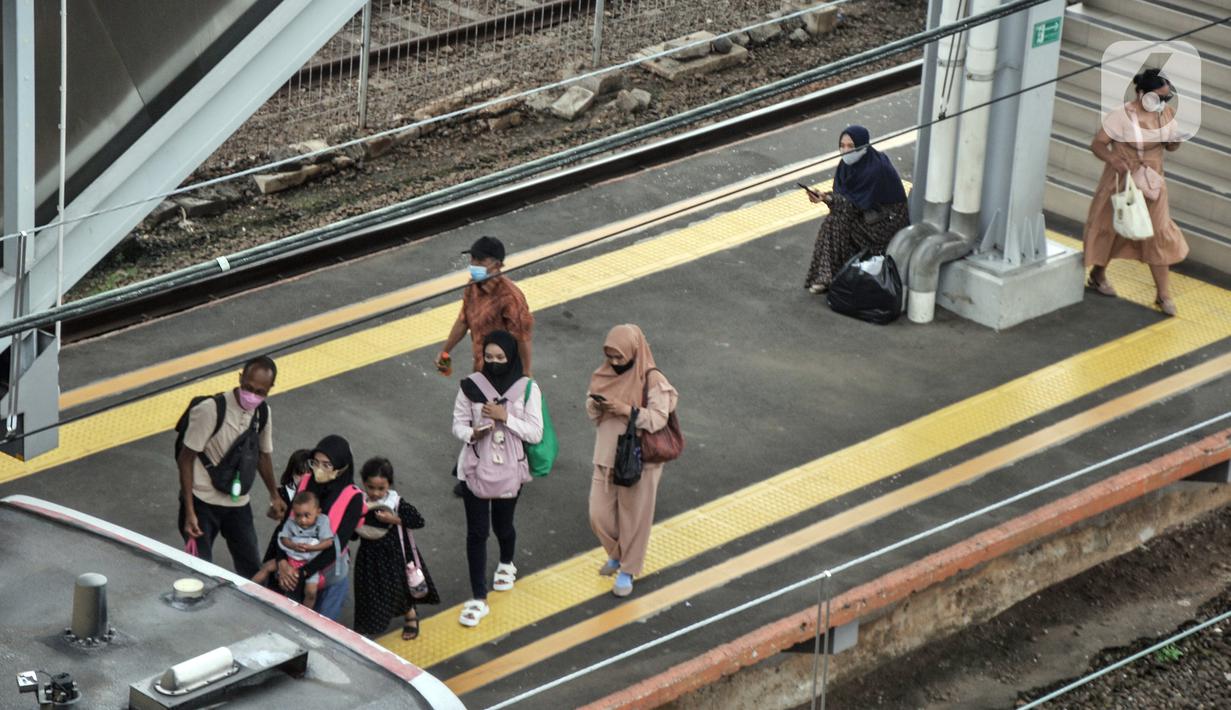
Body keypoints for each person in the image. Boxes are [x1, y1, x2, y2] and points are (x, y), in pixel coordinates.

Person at [451, 330, 543, 627]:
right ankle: (479, 597)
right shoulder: (469, 386)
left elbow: (535, 432)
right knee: (476, 533)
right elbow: (457, 424)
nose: (494, 362)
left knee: (503, 525)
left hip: (509, 470)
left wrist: (505, 417)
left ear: (512, 357)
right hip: (475, 468)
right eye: (489, 357)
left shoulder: (528, 389)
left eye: (500, 357)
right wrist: (472, 433)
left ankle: (506, 562)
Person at [1083, 68, 1187, 316]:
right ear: (1140, 93)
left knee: (1158, 232)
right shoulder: (1121, 116)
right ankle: (1098, 273)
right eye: (1157, 98)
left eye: (1165, 98)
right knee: (1116, 229)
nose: (1162, 103)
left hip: (1152, 182)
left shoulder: (1166, 115)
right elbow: (1097, 144)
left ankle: (1163, 295)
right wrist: (1113, 159)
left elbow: (1171, 147)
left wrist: (1175, 139)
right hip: (1121, 180)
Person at [585, 324, 678, 598]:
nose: (613, 363)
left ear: (634, 352)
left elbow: (659, 418)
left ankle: (627, 568)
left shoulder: (653, 379)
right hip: (606, 454)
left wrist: (627, 411)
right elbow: (590, 412)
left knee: (634, 517)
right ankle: (617, 553)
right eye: (610, 356)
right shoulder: (603, 374)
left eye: (619, 357)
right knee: (598, 515)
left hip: (640, 459)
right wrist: (598, 405)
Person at [178, 355, 286, 578]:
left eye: (260, 392)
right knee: (200, 571)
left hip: (237, 502)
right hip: (202, 503)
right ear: (240, 378)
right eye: (248, 387)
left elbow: (263, 456)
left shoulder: (263, 413)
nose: (253, 395)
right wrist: (189, 511)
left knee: (251, 567)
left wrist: (274, 495)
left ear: (270, 389)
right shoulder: (211, 410)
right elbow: (185, 459)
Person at [269, 435, 367, 621]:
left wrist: (303, 573)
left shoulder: (353, 498)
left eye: (327, 465)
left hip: (329, 573)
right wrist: (282, 562)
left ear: (342, 467)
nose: (319, 470)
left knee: (320, 628)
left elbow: (336, 545)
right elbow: (286, 523)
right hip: (294, 566)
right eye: (316, 463)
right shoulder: (306, 481)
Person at [804, 125, 910, 294]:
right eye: (842, 145)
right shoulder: (846, 165)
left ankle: (827, 275)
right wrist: (824, 197)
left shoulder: (876, 168)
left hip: (887, 221)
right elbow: (845, 199)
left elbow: (854, 204)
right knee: (837, 218)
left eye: (851, 146)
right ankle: (830, 274)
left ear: (863, 145)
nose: (845, 150)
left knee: (837, 221)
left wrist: (828, 198)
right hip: (868, 214)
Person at [353, 457, 439, 640]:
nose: (375, 493)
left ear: (389, 485)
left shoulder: (396, 503)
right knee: (368, 592)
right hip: (368, 558)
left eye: (381, 488)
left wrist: (394, 520)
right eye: (371, 487)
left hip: (394, 556)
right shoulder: (360, 502)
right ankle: (368, 626)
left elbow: (418, 521)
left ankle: (410, 615)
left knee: (398, 589)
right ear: (363, 483)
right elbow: (353, 533)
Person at [437, 236, 535, 375]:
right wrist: (445, 351)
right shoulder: (472, 286)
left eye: (481, 260)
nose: (474, 264)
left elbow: (523, 338)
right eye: (473, 258)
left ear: (497, 265)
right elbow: (463, 321)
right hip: (480, 368)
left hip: (504, 373)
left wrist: (525, 375)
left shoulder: (510, 298)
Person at [253, 491, 332, 609]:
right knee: (267, 566)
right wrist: (293, 546)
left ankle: (304, 614)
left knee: (311, 591)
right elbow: (283, 538)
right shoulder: (291, 522)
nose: (302, 520)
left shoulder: (323, 522)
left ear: (318, 512)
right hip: (291, 558)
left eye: (307, 515)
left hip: (308, 564)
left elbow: (328, 542)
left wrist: (312, 548)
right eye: (298, 515)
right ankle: (247, 587)